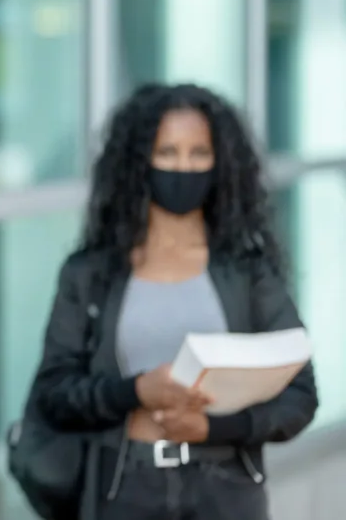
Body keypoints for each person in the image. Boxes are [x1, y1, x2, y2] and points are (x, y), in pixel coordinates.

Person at [33, 83, 318, 520]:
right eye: (167, 153)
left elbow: (299, 397)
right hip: (125, 485)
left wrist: (214, 428)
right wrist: (134, 391)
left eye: (198, 154)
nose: (183, 167)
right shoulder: (90, 274)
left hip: (226, 488)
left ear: (220, 163)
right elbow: (54, 394)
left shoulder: (247, 271)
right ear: (137, 162)